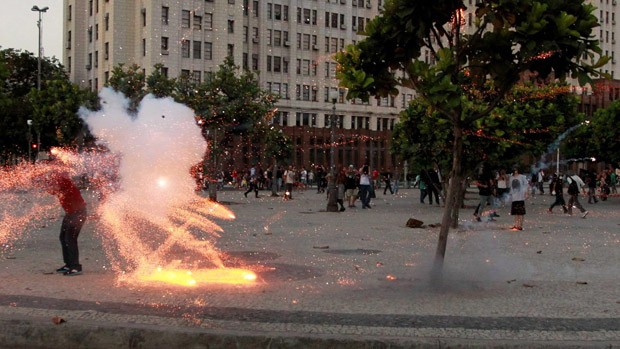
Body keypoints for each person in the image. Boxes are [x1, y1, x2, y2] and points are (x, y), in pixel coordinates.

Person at [36, 169, 88, 276]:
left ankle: (75, 267)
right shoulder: (59, 182)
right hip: (70, 213)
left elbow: (54, 186)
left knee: (70, 238)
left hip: (78, 213)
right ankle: (68, 264)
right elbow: (52, 190)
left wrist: (43, 178)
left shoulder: (64, 181)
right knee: (63, 237)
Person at [508, 166, 529, 231]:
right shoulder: (511, 178)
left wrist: (526, 193)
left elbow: (526, 185)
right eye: (514, 170)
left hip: (520, 197)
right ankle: (516, 224)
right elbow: (511, 187)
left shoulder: (522, 177)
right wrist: (510, 195)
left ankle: (520, 225)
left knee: (521, 212)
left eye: (516, 170)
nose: (515, 171)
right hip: (514, 197)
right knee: (515, 213)